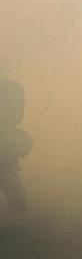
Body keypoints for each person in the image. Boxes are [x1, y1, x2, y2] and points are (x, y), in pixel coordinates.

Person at [0, 67, 32, 225]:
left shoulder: (6, 87)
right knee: (9, 174)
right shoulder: (11, 86)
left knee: (7, 174)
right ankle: (20, 213)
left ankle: (20, 214)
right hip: (6, 136)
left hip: (3, 136)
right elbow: (17, 116)